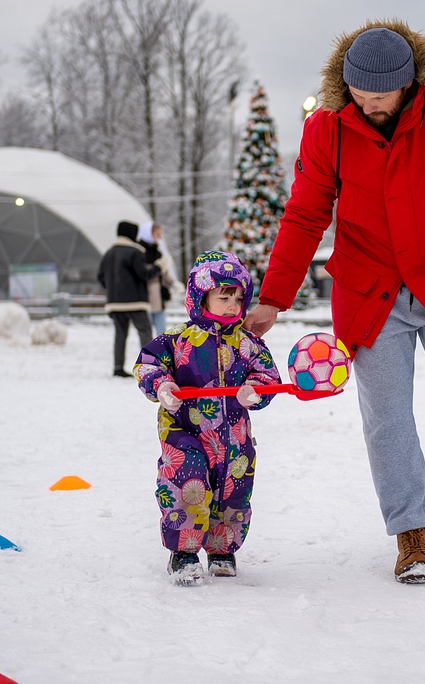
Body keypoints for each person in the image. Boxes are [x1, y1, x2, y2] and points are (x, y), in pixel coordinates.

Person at [242, 20, 425, 584]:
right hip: (370, 285)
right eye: (358, 95)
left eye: (380, 98)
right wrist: (274, 296)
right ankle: (410, 534)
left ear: (409, 84)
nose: (367, 106)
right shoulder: (327, 126)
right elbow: (305, 214)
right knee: (387, 416)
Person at [134, 251, 281, 586]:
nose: (233, 305)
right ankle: (183, 553)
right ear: (202, 297)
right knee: (188, 484)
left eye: (239, 298)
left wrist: (255, 390)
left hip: (233, 435)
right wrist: (162, 385)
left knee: (233, 489)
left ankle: (221, 548)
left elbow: (268, 376)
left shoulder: (248, 343)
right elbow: (147, 364)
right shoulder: (176, 339)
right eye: (224, 296)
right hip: (185, 429)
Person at [97, 220, 155, 377]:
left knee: (120, 335)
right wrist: (159, 267)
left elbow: (100, 277)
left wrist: (113, 289)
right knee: (144, 331)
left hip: (114, 302)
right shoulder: (134, 252)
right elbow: (144, 275)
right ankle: (150, 365)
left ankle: (117, 367)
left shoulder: (108, 253)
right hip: (135, 301)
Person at [137, 222, 176, 336]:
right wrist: (158, 266)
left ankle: (161, 353)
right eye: (157, 234)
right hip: (145, 298)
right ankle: (149, 353)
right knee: (146, 333)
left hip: (159, 298)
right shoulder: (139, 252)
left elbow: (163, 273)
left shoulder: (157, 252)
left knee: (162, 333)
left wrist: (173, 283)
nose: (159, 237)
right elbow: (143, 273)